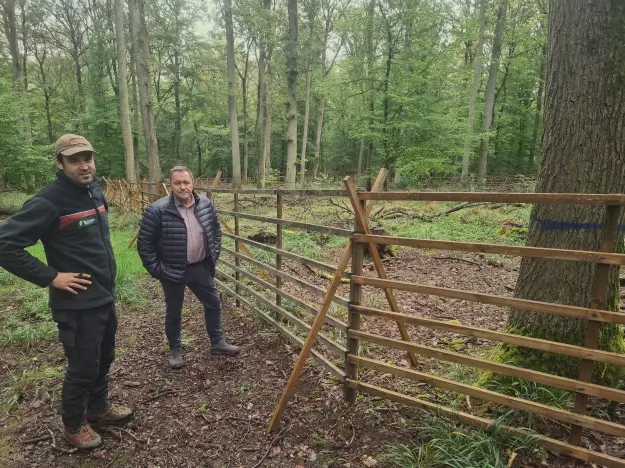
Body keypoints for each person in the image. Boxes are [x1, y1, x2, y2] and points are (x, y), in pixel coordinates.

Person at [0, 134, 134, 450]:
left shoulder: (94, 192)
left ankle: (98, 407)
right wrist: (51, 276)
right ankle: (74, 423)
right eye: (74, 160)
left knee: (104, 357)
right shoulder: (49, 201)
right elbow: (5, 245)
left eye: (87, 158)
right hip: (76, 303)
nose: (84, 165)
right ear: (60, 163)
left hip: (103, 294)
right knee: (83, 365)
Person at [137, 166, 239, 369]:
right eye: (177, 183)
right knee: (174, 311)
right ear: (170, 185)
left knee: (213, 303)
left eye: (186, 182)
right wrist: (158, 271)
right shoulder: (157, 210)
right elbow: (145, 245)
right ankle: (175, 349)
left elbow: (216, 232)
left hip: (200, 267)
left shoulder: (206, 205)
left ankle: (217, 342)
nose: (182, 187)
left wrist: (213, 256)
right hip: (171, 270)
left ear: (193, 183)